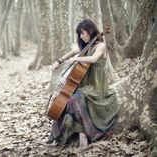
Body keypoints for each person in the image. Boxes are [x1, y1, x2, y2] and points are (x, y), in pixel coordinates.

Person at [49, 19, 120, 149]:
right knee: (66, 101)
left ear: (90, 31)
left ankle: (84, 134)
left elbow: (93, 59)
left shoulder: (100, 46)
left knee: (74, 100)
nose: (81, 37)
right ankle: (74, 134)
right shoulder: (87, 46)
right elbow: (72, 52)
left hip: (97, 87)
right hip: (85, 86)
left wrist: (76, 58)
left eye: (82, 33)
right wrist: (58, 62)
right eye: (80, 35)